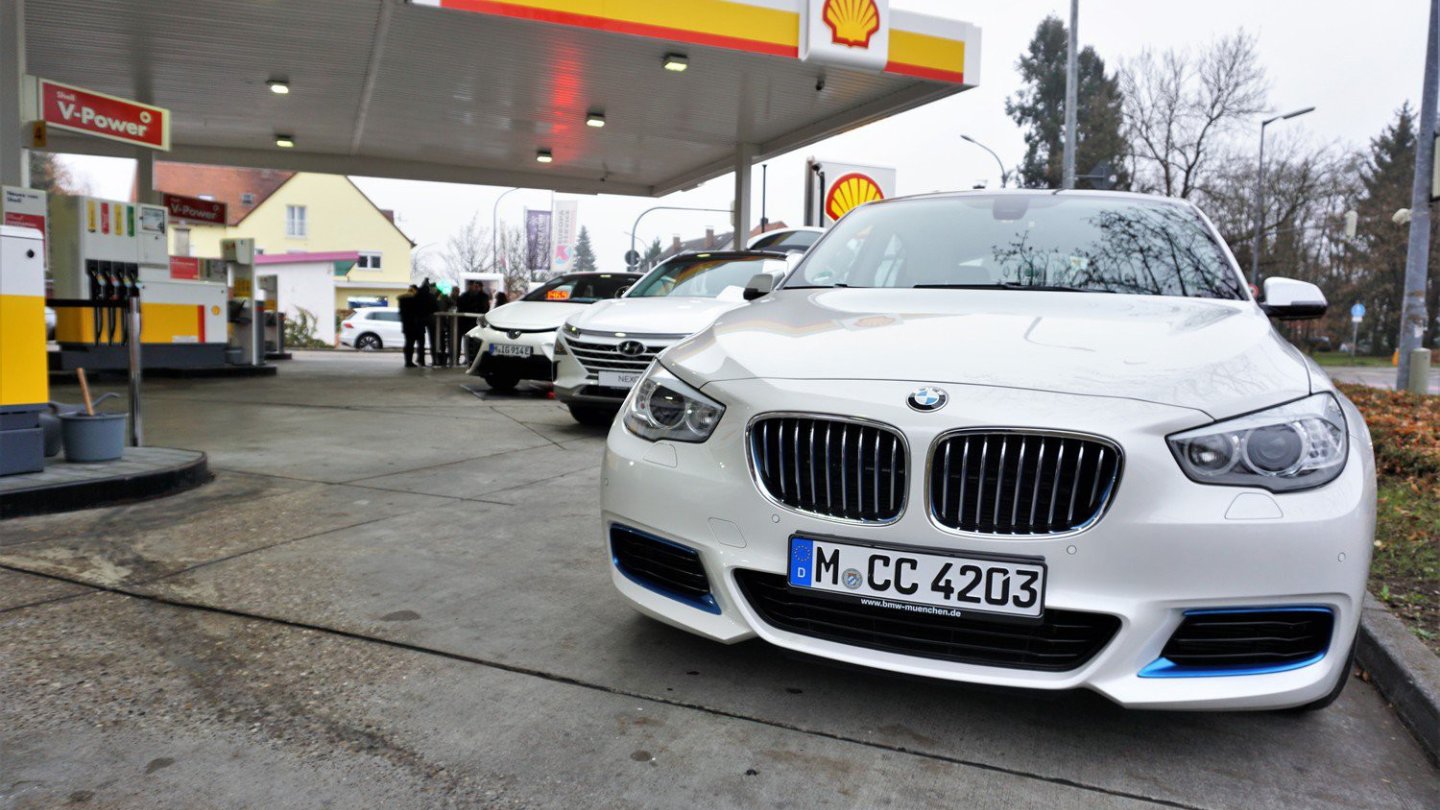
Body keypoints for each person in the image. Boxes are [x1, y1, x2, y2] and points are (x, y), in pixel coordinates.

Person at [455, 281, 491, 364]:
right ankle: (461, 358)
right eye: (474, 286)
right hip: (466, 322)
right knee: (466, 341)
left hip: (473, 322)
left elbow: (484, 308)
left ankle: (471, 359)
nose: (476, 288)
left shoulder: (482, 296)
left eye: (477, 286)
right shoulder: (466, 296)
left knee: (473, 341)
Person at [397, 284, 426, 367]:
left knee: (409, 344)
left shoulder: (402, 299)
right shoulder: (416, 299)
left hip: (407, 326)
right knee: (419, 344)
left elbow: (402, 313)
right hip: (417, 325)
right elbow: (420, 310)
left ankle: (408, 361)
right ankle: (420, 361)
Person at [414, 280, 441, 366]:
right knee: (433, 340)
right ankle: (434, 359)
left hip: (420, 319)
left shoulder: (417, 296)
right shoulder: (431, 296)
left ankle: (421, 360)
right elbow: (436, 308)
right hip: (431, 319)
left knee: (421, 341)